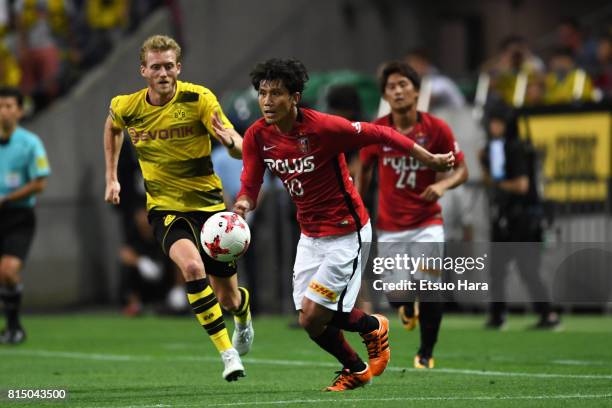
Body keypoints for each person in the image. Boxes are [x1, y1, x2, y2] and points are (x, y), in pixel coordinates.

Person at [228, 58, 454, 391]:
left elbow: (381, 131)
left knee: (316, 312)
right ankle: (356, 367)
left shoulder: (323, 128)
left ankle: (372, 327)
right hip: (310, 235)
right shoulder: (257, 137)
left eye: (276, 93)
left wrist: (428, 158)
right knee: (309, 321)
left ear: (295, 96)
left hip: (347, 232)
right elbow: (250, 184)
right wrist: (243, 204)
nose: (266, 101)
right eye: (262, 93)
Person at [103, 35, 252, 381]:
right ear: (144, 70)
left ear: (178, 67)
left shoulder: (199, 99)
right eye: (156, 67)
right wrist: (111, 177)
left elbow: (238, 145)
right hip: (165, 208)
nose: (163, 73)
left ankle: (242, 315)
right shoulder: (127, 106)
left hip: (211, 208)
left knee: (228, 298)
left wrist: (232, 142)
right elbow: (112, 128)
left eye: (169, 66)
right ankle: (227, 354)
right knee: (191, 267)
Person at [356, 61, 468, 369]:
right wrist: (357, 203)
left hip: (427, 223)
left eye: (403, 84)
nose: (398, 90)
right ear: (386, 96)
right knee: (396, 294)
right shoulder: (377, 130)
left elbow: (462, 169)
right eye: (391, 87)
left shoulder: (436, 129)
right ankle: (405, 307)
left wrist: (443, 185)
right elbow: (363, 168)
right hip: (390, 227)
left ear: (417, 91)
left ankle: (426, 352)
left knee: (430, 288)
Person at [480, 106, 560, 330]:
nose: (493, 127)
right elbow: (493, 182)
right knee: (496, 269)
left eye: (498, 123)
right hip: (504, 217)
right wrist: (484, 164)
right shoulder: (496, 148)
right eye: (492, 122)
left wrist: (498, 183)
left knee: (528, 269)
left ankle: (549, 314)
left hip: (523, 218)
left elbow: (522, 185)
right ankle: (498, 315)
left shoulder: (515, 149)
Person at [0, 86, 50, 344]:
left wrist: (8, 197)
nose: (4, 112)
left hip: (18, 215)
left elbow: (40, 183)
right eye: (0, 106)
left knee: (8, 270)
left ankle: (14, 326)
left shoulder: (30, 143)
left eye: (9, 106)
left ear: (19, 111)